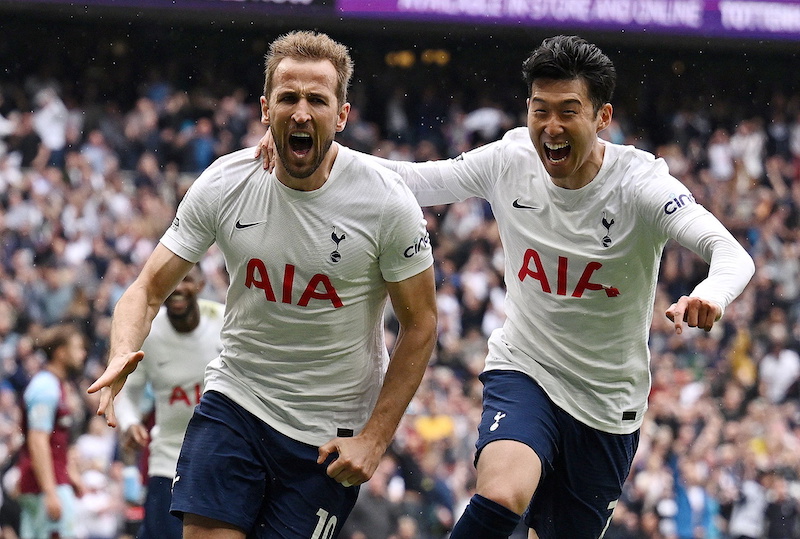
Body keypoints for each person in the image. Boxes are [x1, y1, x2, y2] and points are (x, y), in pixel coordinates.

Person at [259, 34, 754, 538]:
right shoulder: (510, 159)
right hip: (527, 369)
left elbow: (731, 253)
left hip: (608, 404)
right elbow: (418, 180)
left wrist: (711, 294)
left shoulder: (642, 186)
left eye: (568, 112)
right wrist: (324, 152)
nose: (552, 128)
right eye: (540, 111)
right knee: (501, 492)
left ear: (602, 117)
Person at [88, 30, 437, 539]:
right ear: (264, 109)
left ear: (341, 116)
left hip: (328, 432)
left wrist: (375, 438)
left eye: (317, 99)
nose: (300, 112)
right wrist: (122, 348)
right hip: (237, 399)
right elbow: (146, 288)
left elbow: (422, 323)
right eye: (287, 98)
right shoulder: (227, 183)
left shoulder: (385, 203)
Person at [113, 265, 224, 539]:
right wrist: (129, 423)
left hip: (221, 457)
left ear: (200, 283)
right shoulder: (148, 333)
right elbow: (126, 391)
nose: (178, 287)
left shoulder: (223, 322)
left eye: (185, 278)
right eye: (172, 280)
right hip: (168, 460)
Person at [17, 323, 87, 539]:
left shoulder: (54, 384)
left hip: (50, 482)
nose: (83, 354)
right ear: (61, 353)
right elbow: (37, 441)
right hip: (45, 487)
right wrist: (50, 492)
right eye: (78, 348)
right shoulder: (45, 387)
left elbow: (57, 441)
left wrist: (71, 474)